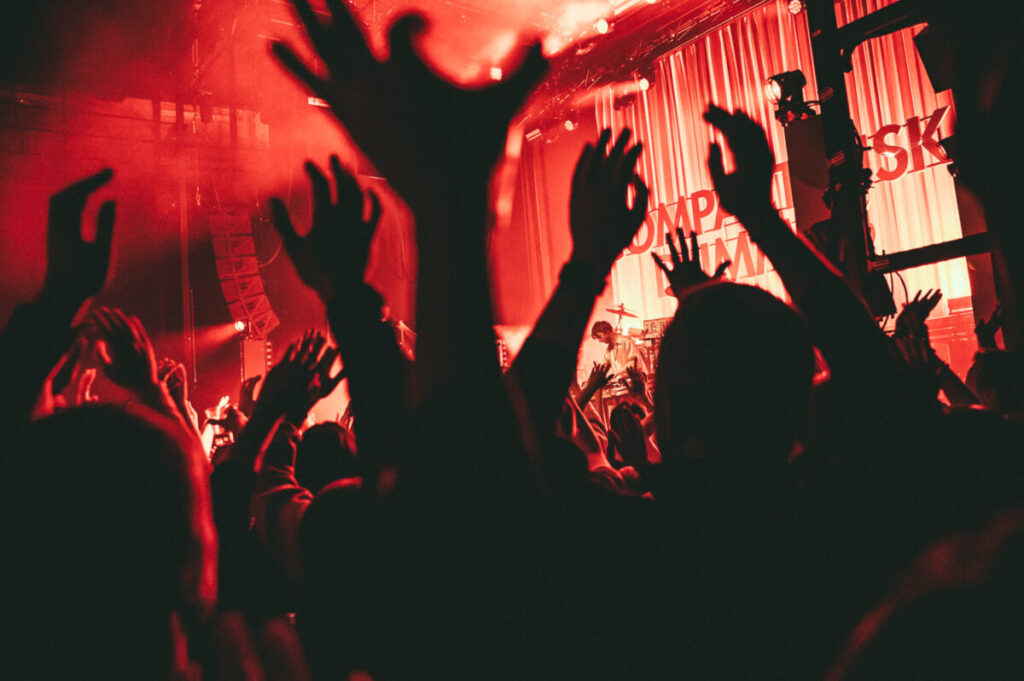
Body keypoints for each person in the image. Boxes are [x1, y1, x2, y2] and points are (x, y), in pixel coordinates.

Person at [590, 320, 642, 386]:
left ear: (607, 331)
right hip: (622, 383)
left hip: (635, 383)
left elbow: (634, 363)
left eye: (599, 337)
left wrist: (616, 373)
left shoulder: (626, 341)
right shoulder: (609, 349)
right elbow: (603, 367)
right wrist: (590, 380)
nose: (600, 341)